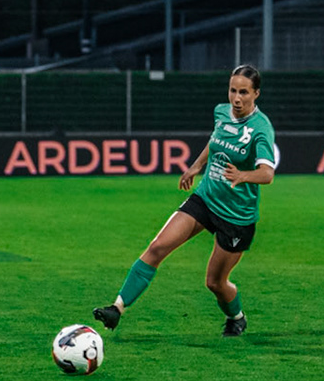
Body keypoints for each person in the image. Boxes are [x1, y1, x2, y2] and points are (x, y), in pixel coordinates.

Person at [94, 66, 278, 338]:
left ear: (256, 94)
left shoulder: (261, 129)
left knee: (215, 283)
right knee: (158, 247)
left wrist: (243, 175)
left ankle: (236, 317)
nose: (236, 98)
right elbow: (214, 142)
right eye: (232, 90)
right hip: (205, 198)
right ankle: (117, 308)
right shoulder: (220, 112)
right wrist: (195, 167)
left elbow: (267, 173)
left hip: (236, 217)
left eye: (243, 92)